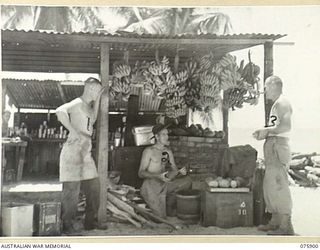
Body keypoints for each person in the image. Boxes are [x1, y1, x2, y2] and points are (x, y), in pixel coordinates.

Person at [56, 77, 107, 234]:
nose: (97, 94)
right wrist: (71, 129)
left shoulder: (87, 107)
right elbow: (60, 111)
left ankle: (90, 223)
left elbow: (93, 118)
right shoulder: (77, 103)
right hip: (72, 152)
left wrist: (98, 99)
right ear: (90, 88)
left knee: (94, 187)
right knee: (72, 191)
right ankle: (67, 225)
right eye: (97, 91)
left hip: (85, 153)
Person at [253, 75, 294, 235]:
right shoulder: (277, 104)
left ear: (274, 86)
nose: (264, 90)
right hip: (273, 149)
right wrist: (264, 132)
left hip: (278, 149)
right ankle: (275, 221)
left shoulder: (283, 103)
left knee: (279, 186)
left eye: (266, 87)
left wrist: (266, 131)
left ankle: (285, 226)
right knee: (270, 186)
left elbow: (285, 126)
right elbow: (274, 126)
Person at [138, 124, 192, 218]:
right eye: (163, 134)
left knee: (187, 181)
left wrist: (180, 172)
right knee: (160, 218)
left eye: (167, 134)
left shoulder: (167, 152)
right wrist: (157, 176)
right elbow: (141, 173)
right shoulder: (149, 151)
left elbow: (174, 170)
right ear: (157, 137)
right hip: (150, 187)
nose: (167, 137)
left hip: (163, 185)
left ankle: (168, 205)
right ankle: (147, 207)